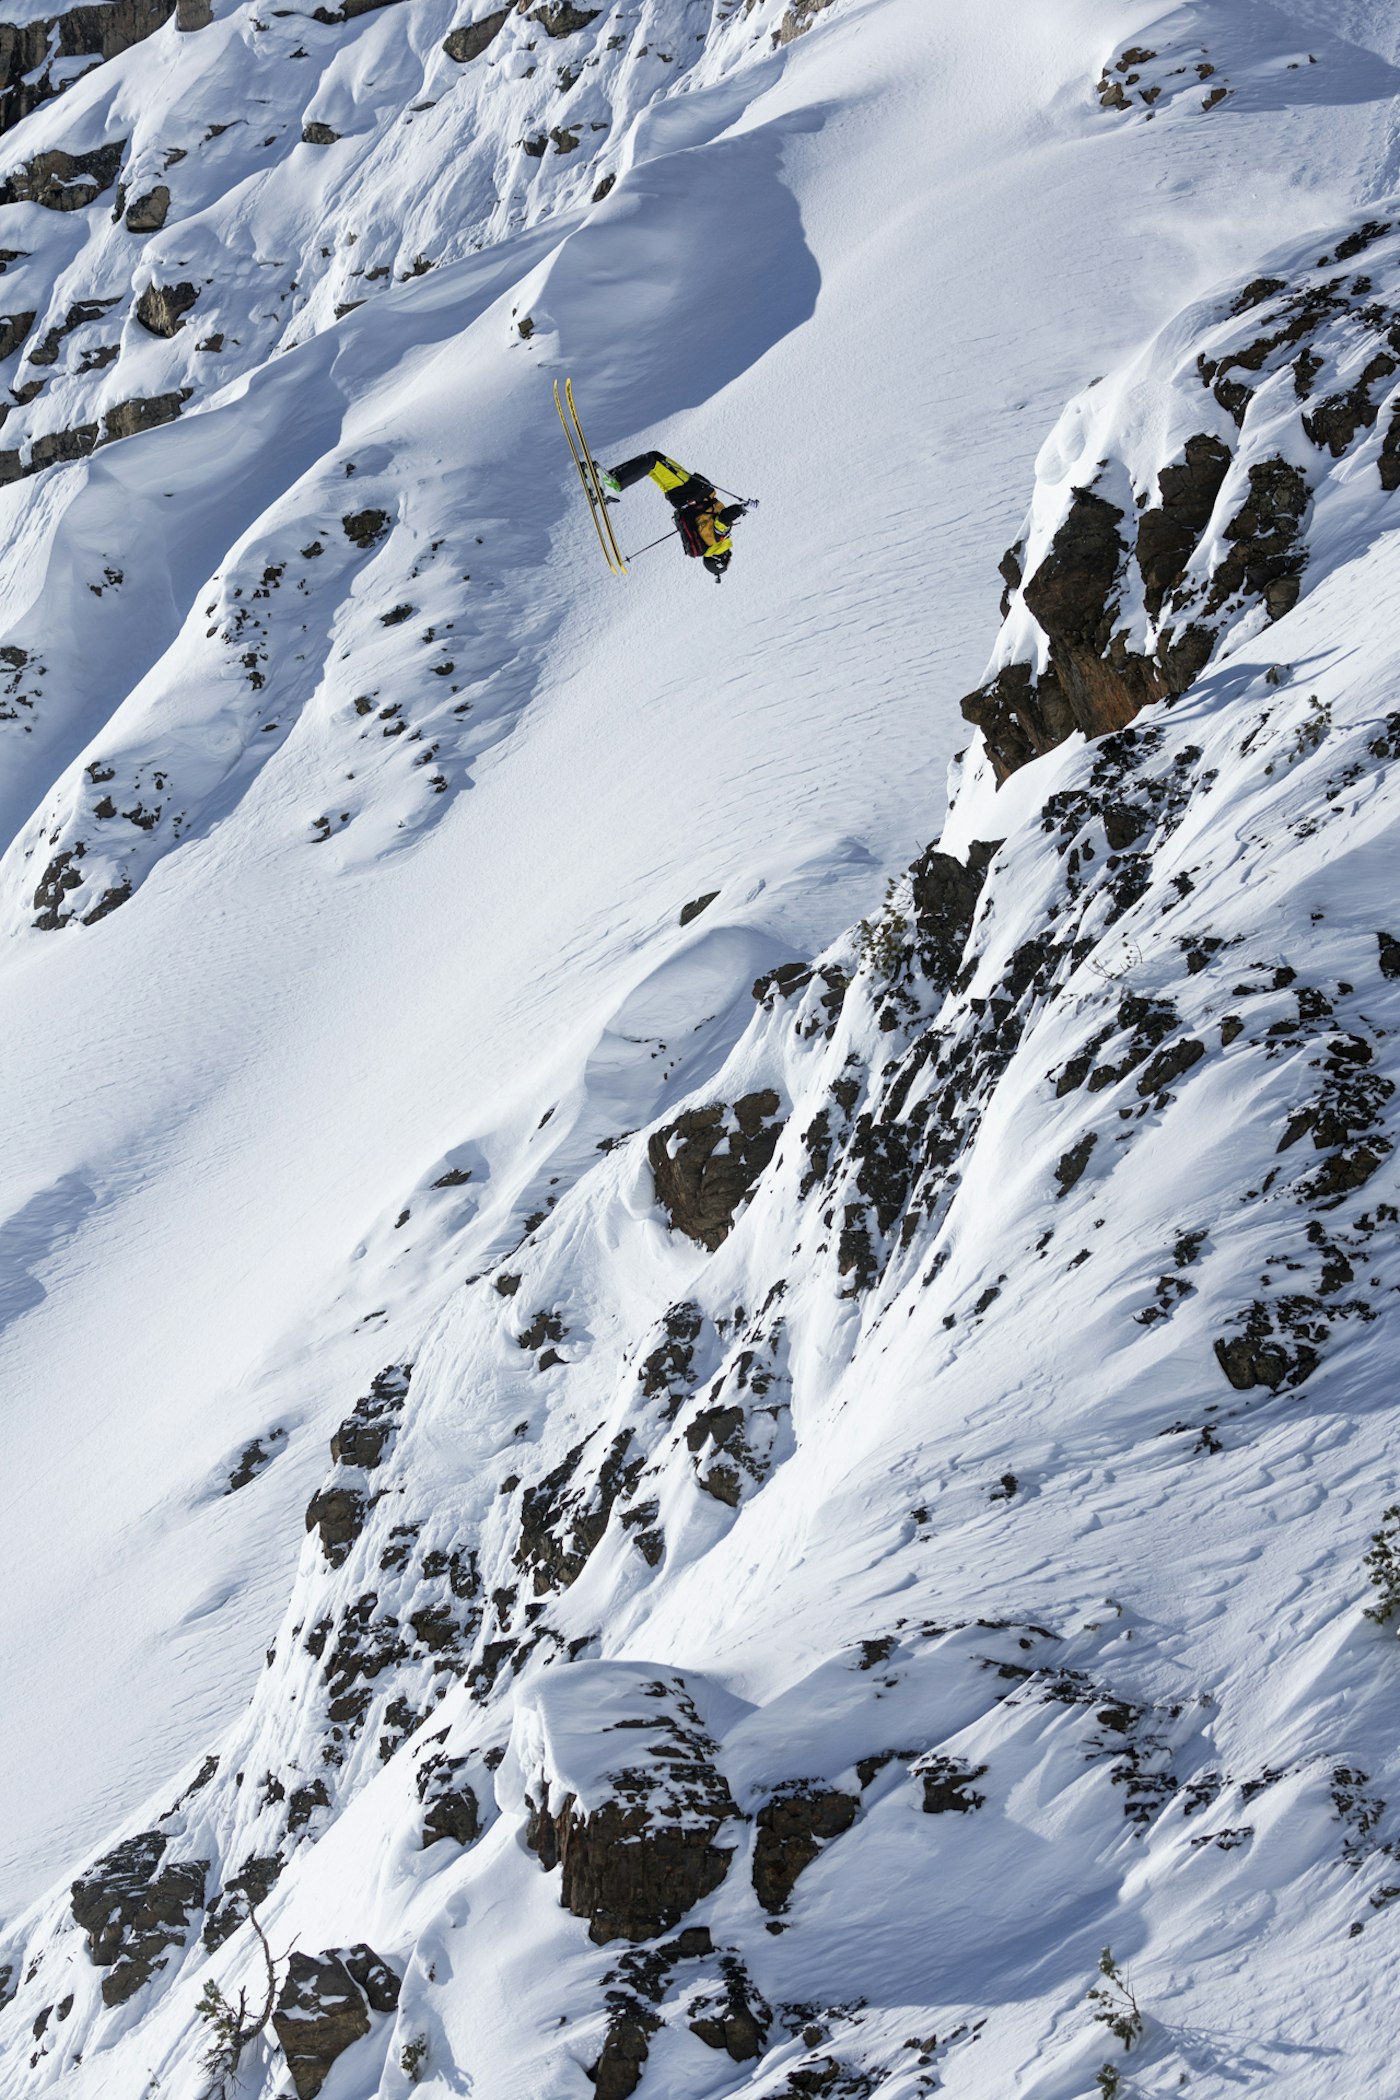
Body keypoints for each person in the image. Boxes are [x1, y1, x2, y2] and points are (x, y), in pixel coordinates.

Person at [602, 450, 748, 580]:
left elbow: (725, 517)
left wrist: (743, 508)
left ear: (720, 557)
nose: (730, 556)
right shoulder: (705, 545)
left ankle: (610, 483)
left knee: (652, 460)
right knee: (652, 466)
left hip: (689, 491)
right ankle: (608, 482)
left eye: (728, 559)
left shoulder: (719, 539)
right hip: (680, 499)